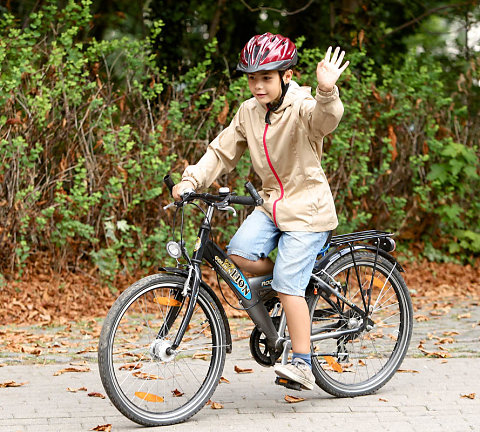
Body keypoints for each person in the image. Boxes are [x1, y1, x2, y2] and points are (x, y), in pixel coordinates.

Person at [173, 32, 349, 390]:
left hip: (308, 209)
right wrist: (191, 180)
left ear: (286, 75)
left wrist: (327, 92)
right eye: (252, 78)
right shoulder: (249, 112)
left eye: (266, 77)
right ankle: (293, 282)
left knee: (286, 282)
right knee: (235, 255)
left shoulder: (301, 104)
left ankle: (301, 363)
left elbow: (324, 121)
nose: (257, 85)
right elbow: (221, 152)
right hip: (271, 204)